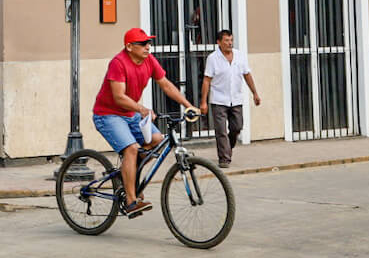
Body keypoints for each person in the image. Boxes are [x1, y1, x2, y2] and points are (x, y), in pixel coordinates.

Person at [92, 28, 198, 217]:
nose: (148, 47)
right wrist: (142, 109)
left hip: (130, 113)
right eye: (142, 44)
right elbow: (118, 97)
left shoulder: (149, 60)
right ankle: (131, 201)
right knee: (131, 149)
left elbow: (166, 84)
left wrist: (188, 106)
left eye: (149, 43)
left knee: (157, 140)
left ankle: (128, 173)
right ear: (129, 46)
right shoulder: (118, 63)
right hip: (108, 115)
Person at [198, 29, 260, 168]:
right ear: (219, 42)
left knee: (237, 127)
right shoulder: (213, 58)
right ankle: (224, 159)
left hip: (236, 99)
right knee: (221, 131)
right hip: (219, 100)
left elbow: (247, 75)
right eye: (226, 40)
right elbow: (207, 80)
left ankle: (228, 148)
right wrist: (203, 102)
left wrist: (255, 93)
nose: (230, 43)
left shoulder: (239, 56)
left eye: (231, 40)